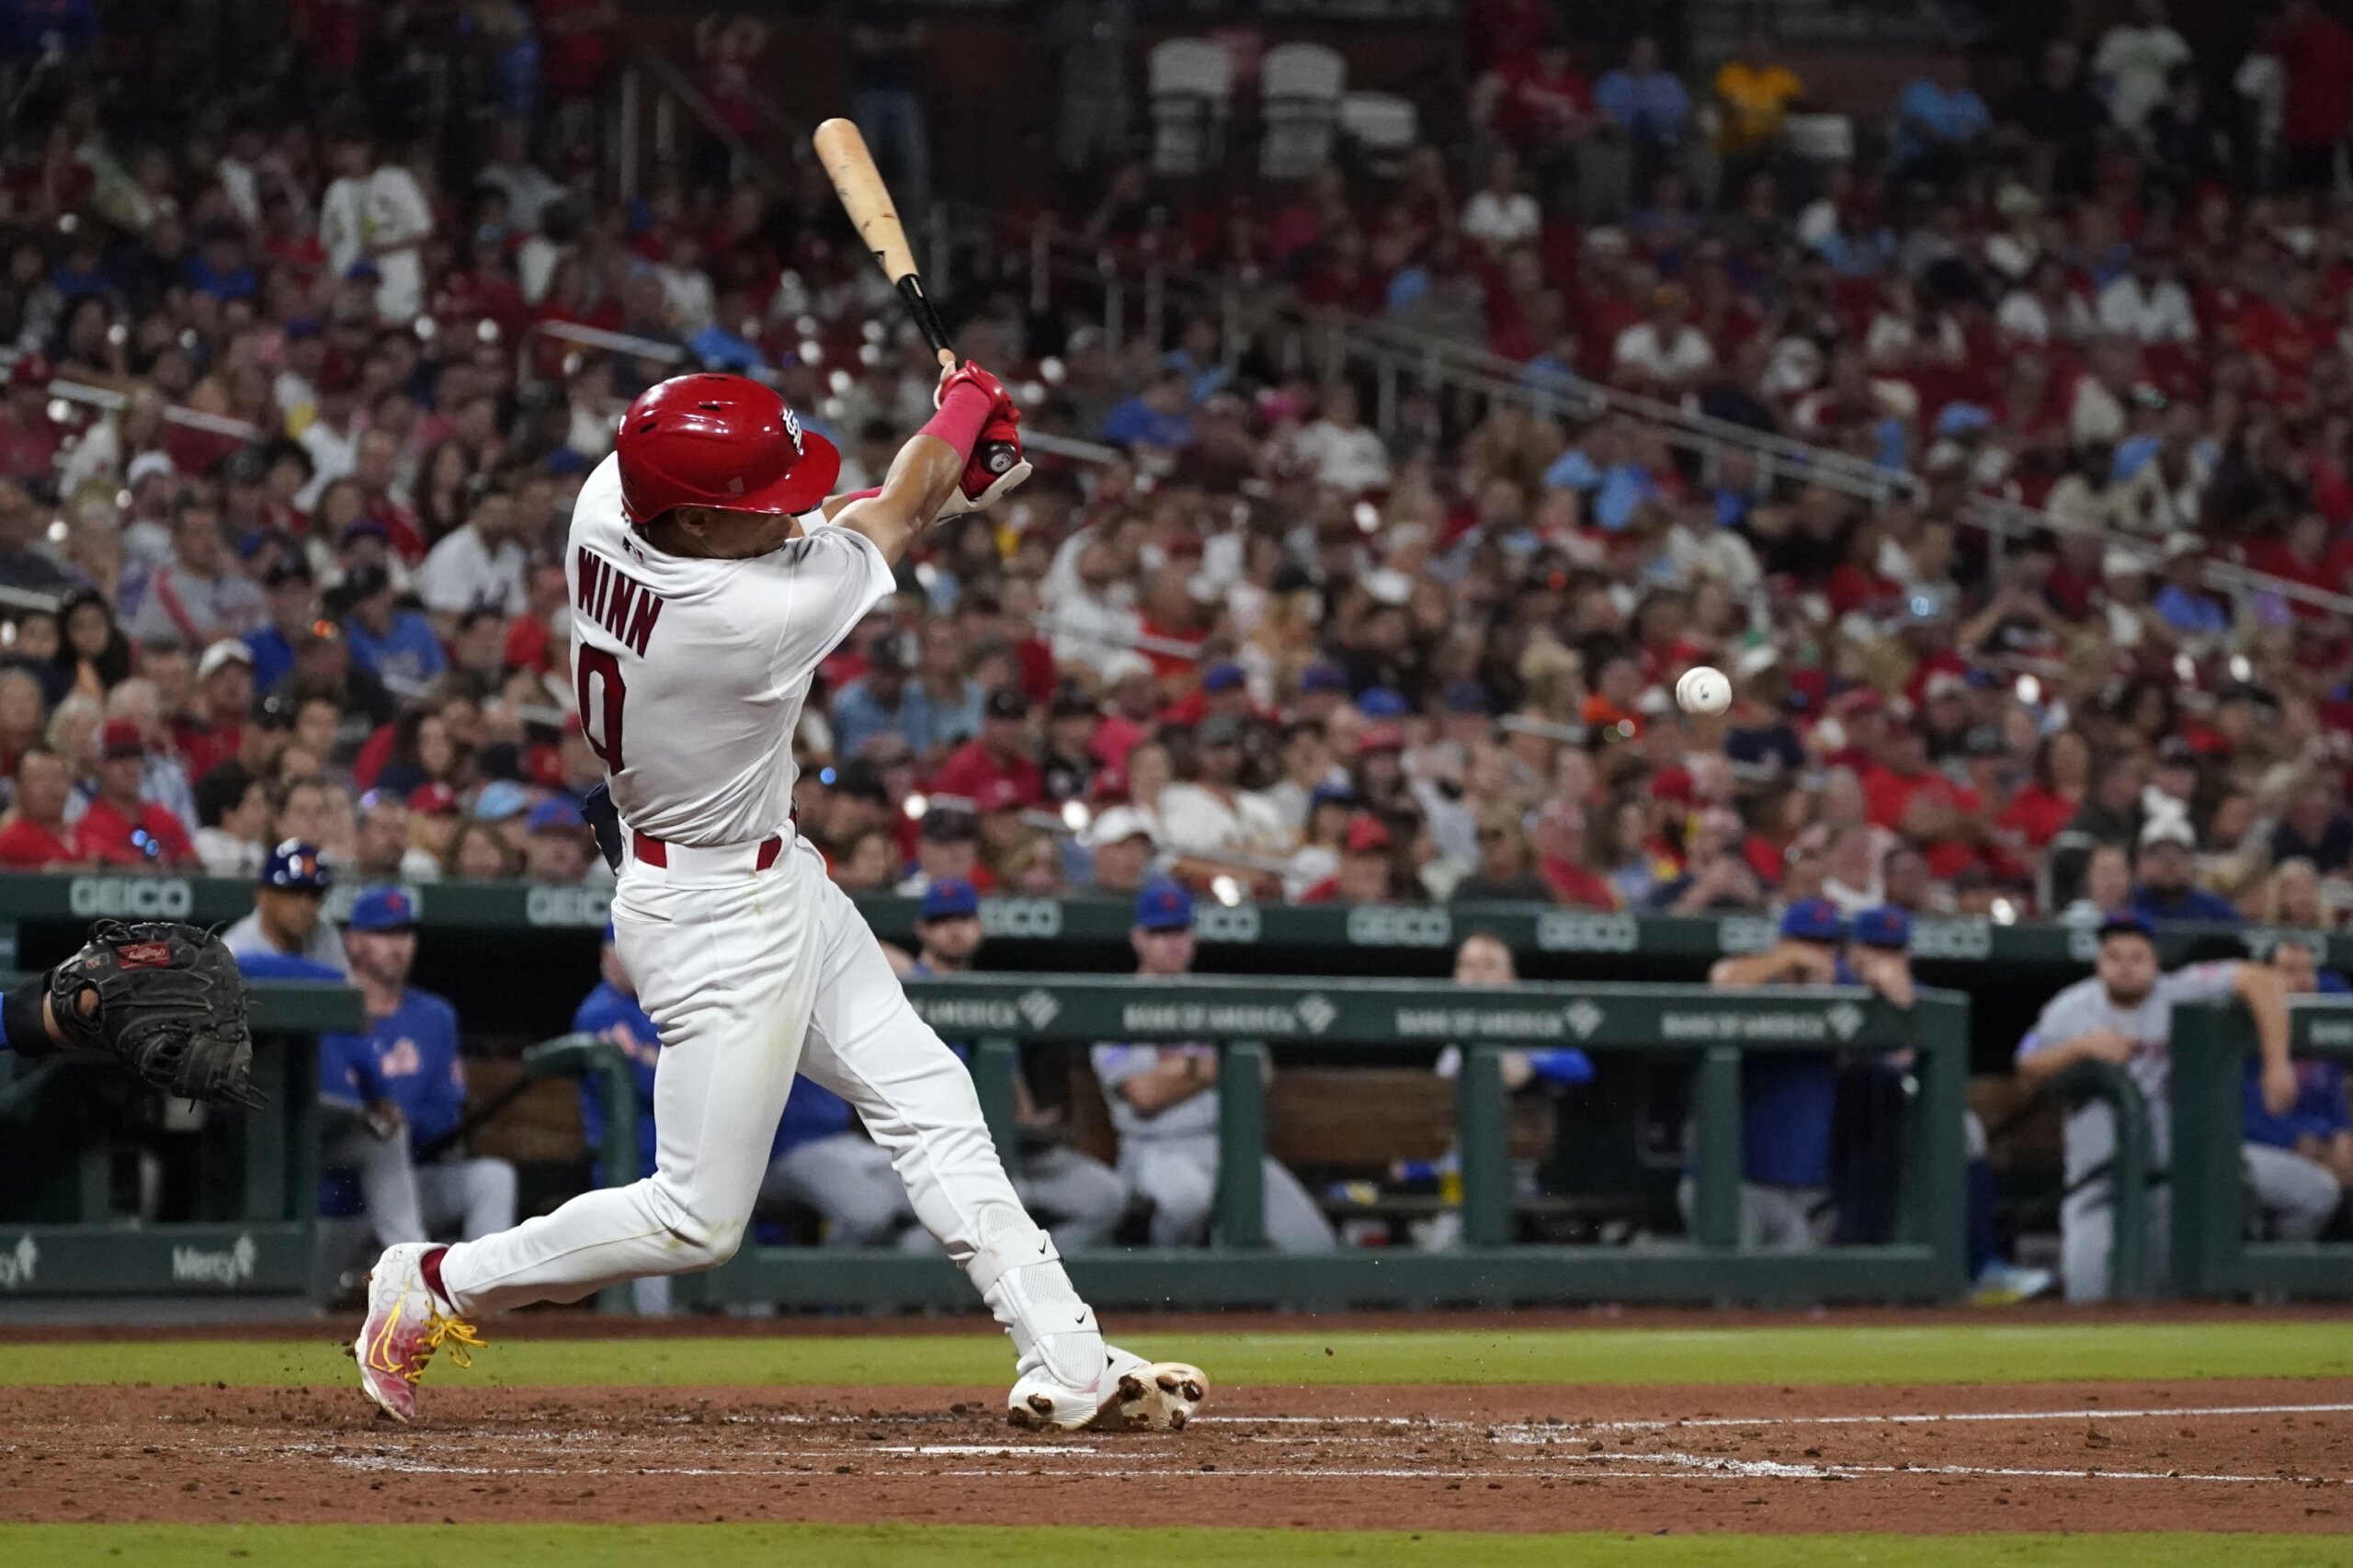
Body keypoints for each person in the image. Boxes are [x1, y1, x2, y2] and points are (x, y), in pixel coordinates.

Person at [355, 366, 1204, 1435]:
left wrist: (951, 472)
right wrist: (959, 417)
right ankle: (433, 1281)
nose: (784, 511)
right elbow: (883, 515)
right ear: (699, 518)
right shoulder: (739, 619)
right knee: (696, 1219)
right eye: (755, 504)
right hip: (708, 915)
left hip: (768, 866)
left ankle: (1068, 1354)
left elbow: (850, 519)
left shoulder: (613, 498)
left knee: (929, 1092)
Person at [2015, 915, 2302, 1301]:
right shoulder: (2070, 1008)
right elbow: (2026, 1066)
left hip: (2166, 1180)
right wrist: (2079, 1048)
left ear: (2155, 962)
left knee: (2161, 1299)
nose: (2126, 966)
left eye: (2138, 956)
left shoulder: (2180, 991)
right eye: (2114, 956)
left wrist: (2276, 1063)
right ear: (2100, 962)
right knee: (2086, 1292)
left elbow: (2261, 980)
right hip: (2096, 1179)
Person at [1090, 879, 1338, 1255]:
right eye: (1160, 932)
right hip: (1156, 1149)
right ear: (1139, 938)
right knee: (1188, 1201)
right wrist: (1217, 1066)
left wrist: (1181, 1068)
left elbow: (1261, 1071)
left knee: (1314, 1244)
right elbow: (1145, 1094)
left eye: (1180, 930)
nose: (1173, 941)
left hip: (1228, 1146)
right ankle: (1167, 1292)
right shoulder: (1116, 1006)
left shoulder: (1216, 995)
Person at [908, 879, 1129, 1250]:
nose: (955, 929)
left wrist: (1030, 1123)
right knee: (1010, 1205)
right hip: (943, 1154)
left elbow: (1015, 1092)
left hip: (1011, 1148)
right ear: (922, 930)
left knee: (1105, 1196)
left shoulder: (991, 994)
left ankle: (1040, 1284)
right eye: (942, 919)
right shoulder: (905, 995)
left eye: (963, 918)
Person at [320, 888, 518, 1275]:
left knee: (493, 1178)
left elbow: (443, 1114)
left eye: (405, 934)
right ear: (354, 941)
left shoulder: (434, 1015)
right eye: (384, 934)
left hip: (414, 1178)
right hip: (342, 1193)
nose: (398, 946)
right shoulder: (329, 1012)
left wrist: (394, 1112)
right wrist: (387, 1115)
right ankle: (418, 1285)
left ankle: (482, 1300)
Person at [2245, 937, 2352, 1236]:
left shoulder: (2321, 1019)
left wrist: (2343, 1136)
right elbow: (2242, 1113)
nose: (2302, 980)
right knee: (2321, 1190)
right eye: (2289, 970)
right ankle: (2277, 1277)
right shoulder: (2243, 1025)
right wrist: (2304, 1144)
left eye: (2308, 970)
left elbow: (2332, 1098)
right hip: (2257, 1147)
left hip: (2319, 1148)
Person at [73, 720, 196, 869]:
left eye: (135, 756)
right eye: (117, 757)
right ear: (100, 765)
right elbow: (104, 866)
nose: (128, 766)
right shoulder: (90, 825)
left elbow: (193, 864)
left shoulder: (163, 817)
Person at [223, 839, 350, 973]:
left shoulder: (326, 938)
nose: (305, 906)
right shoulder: (234, 951)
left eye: (314, 894)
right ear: (263, 896)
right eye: (293, 892)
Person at [2129, 817, 2240, 924]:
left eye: (2178, 854)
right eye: (2157, 854)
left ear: (2192, 862)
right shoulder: (2126, 905)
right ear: (2140, 861)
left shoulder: (2217, 912)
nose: (2168, 863)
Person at [0, 747, 82, 869]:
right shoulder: (11, 841)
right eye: (39, 778)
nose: (51, 788)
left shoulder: (89, 831)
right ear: (18, 787)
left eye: (59, 777)